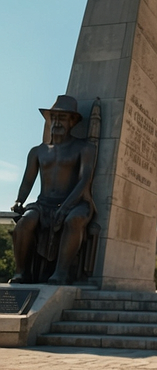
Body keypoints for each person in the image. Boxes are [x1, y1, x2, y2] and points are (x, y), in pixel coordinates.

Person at [10, 95, 97, 285]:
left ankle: (61, 272)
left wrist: (66, 207)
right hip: (43, 203)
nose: (57, 122)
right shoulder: (37, 151)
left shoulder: (84, 148)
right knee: (24, 223)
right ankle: (21, 272)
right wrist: (19, 201)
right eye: (54, 118)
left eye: (62, 118)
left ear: (73, 121)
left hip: (76, 202)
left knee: (73, 220)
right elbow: (27, 181)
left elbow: (84, 180)